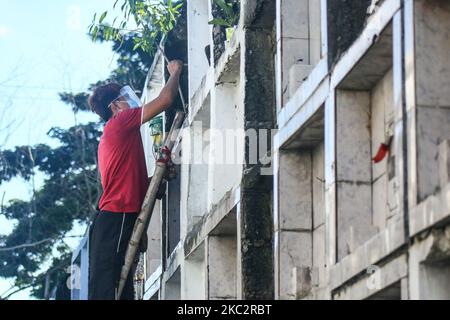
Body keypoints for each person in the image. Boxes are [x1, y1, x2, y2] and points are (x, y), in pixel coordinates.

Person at [86, 60, 183, 300]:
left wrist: (158, 177)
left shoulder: (117, 135)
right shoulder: (120, 122)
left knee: (122, 288)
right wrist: (176, 72)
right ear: (116, 105)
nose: (129, 102)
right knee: (109, 291)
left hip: (114, 217)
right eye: (123, 98)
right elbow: (165, 101)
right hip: (116, 217)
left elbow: (129, 184)